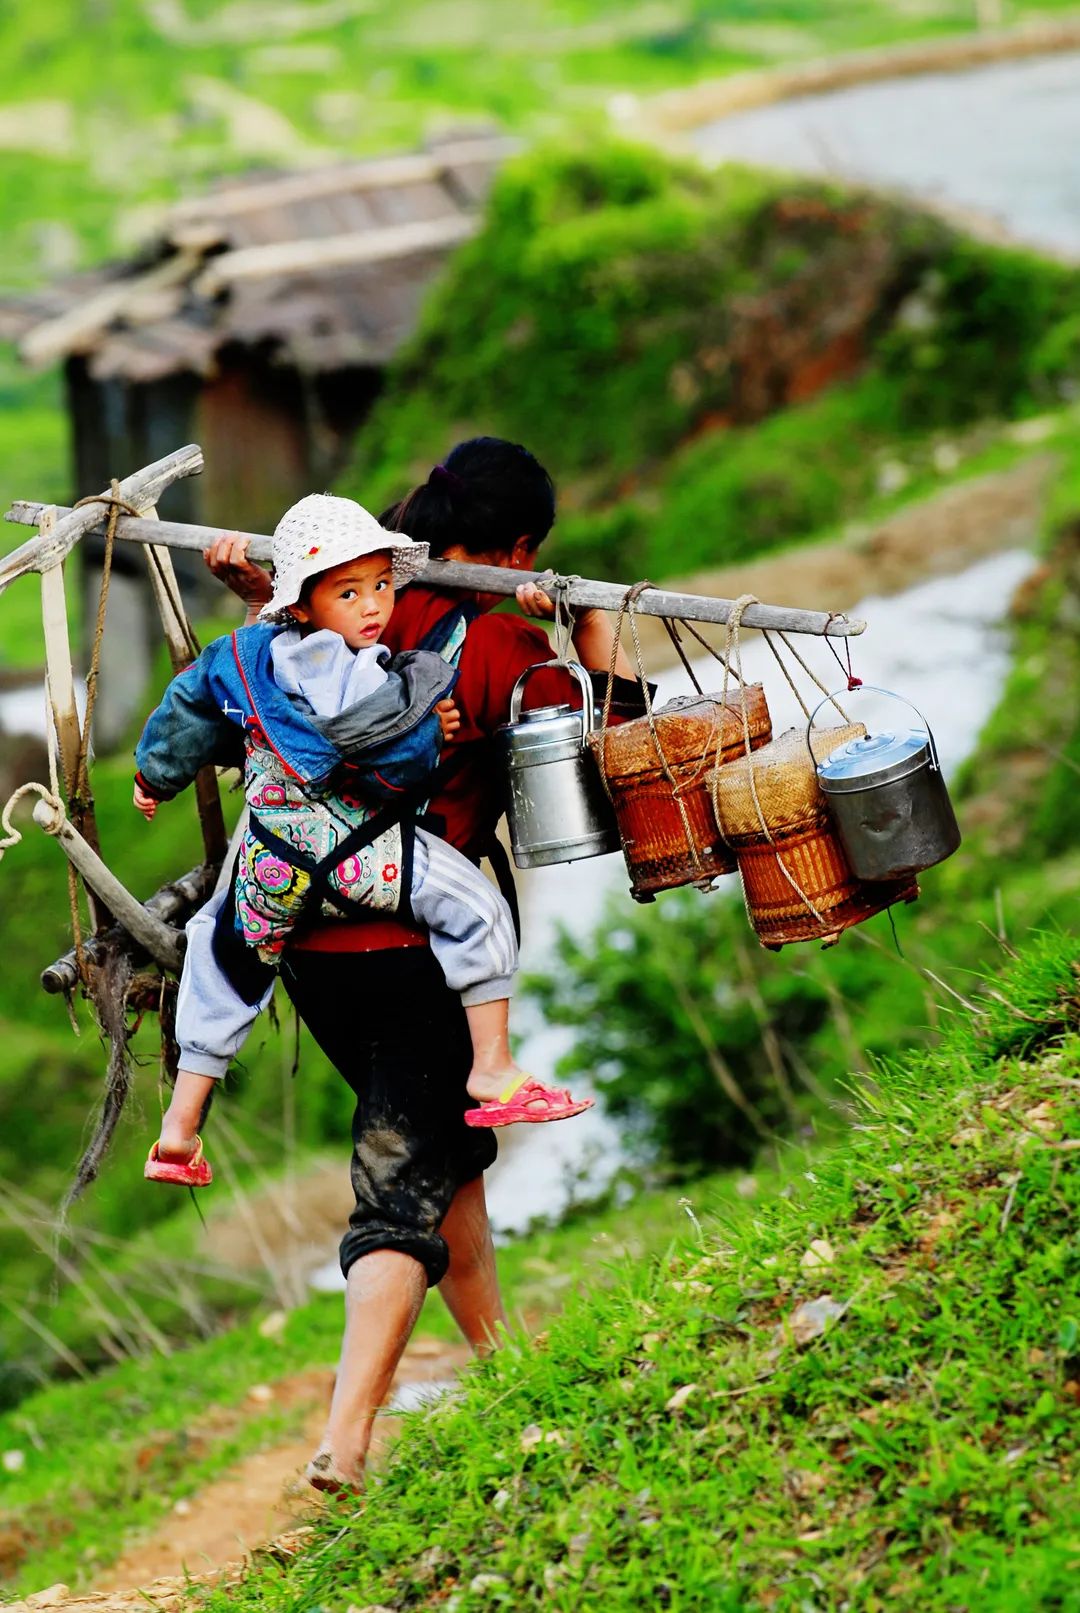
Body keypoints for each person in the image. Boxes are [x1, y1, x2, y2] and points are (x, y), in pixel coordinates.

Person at [204, 438, 641, 1494]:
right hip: (417, 952)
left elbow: (234, 724)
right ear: (523, 544)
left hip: (301, 940)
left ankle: (509, 1368)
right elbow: (611, 755)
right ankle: (346, 1438)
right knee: (402, 1185)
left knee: (445, 1154)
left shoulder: (321, 606)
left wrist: (264, 597)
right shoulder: (494, 638)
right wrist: (593, 640)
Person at [134, 493, 594, 1188]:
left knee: (222, 957)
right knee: (479, 909)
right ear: (305, 606)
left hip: (269, 864)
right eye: (349, 593)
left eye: (380, 585)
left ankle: (180, 1126)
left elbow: (187, 708)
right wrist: (429, 728)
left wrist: (153, 775)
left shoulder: (241, 652)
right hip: (359, 861)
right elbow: (399, 769)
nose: (373, 606)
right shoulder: (365, 672)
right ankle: (494, 1066)